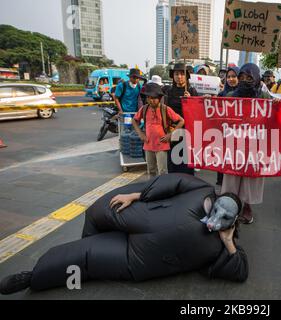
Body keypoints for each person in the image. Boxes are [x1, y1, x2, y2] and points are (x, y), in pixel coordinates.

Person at [0, 174, 248, 295]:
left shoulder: (221, 245)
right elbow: (171, 182)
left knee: (84, 257)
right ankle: (92, 239)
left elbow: (239, 272)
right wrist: (137, 195)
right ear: (215, 200)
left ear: (233, 222)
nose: (215, 221)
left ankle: (32, 278)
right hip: (140, 215)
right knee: (98, 209)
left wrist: (228, 242)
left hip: (139, 258)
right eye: (216, 211)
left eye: (225, 219)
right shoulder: (202, 189)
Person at [221, 63, 272, 224]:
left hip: (255, 144)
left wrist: (276, 106)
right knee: (232, 175)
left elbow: (272, 117)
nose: (244, 80)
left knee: (251, 176)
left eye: (249, 78)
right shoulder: (230, 96)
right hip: (234, 143)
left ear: (256, 78)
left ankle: (247, 205)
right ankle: (230, 204)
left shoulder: (264, 97)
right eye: (241, 77)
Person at [132, 83, 184, 178]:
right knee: (151, 170)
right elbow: (134, 120)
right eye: (149, 97)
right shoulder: (144, 109)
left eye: (154, 98)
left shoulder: (165, 109)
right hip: (148, 144)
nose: (151, 100)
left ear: (159, 98)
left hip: (162, 145)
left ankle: (163, 190)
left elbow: (181, 121)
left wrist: (170, 135)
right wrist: (141, 134)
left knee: (163, 171)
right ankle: (151, 189)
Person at [165, 63, 198, 175]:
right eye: (176, 74)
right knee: (173, 162)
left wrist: (191, 100)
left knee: (187, 162)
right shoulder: (168, 92)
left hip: (187, 131)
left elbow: (198, 112)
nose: (179, 77)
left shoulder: (192, 91)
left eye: (182, 74)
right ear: (173, 76)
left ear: (187, 76)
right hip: (173, 131)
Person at [216, 66, 240, 189]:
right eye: (228, 77)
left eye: (234, 76)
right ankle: (221, 187)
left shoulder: (245, 94)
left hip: (240, 135)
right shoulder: (221, 95)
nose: (231, 79)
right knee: (223, 159)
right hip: (224, 133)